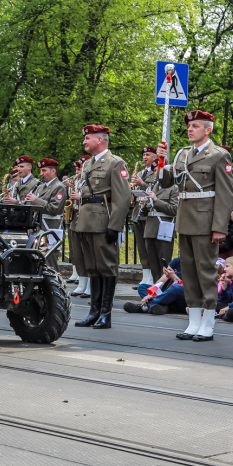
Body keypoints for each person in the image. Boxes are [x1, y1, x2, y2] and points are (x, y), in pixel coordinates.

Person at [157, 110, 233, 341]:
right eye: (190, 126)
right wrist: (161, 162)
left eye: (196, 126)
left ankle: (208, 322)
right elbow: (166, 181)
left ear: (208, 130)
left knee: (206, 272)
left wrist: (219, 226)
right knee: (188, 272)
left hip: (205, 221)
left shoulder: (219, 156)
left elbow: (225, 193)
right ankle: (193, 321)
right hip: (185, 220)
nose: (191, 129)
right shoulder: (181, 155)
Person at [69, 125, 130, 329]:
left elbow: (122, 198)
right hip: (85, 220)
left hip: (103, 221)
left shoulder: (115, 163)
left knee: (106, 266)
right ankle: (93, 312)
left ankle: (106, 313)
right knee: (92, 267)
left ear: (100, 140)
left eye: (87, 138)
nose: (84, 142)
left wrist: (115, 226)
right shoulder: (88, 164)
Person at [26, 158, 67, 267]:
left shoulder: (59, 187)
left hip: (50, 229)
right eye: (40, 171)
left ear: (53, 171)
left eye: (44, 171)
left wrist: (35, 200)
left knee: (50, 264)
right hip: (39, 230)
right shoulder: (41, 187)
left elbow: (55, 209)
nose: (41, 174)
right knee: (39, 262)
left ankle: (54, 284)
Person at [130, 146, 160, 284]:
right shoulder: (141, 172)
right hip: (138, 211)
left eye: (148, 155)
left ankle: (151, 278)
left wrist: (142, 184)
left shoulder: (156, 172)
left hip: (148, 212)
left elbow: (155, 188)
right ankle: (145, 277)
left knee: (149, 247)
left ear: (155, 157)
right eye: (143, 155)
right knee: (141, 247)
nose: (145, 157)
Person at [141, 173, 178, 279]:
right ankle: (155, 289)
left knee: (164, 264)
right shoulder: (151, 187)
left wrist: (156, 200)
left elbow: (174, 210)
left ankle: (164, 290)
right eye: (156, 170)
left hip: (164, 229)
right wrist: (143, 205)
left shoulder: (173, 188)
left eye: (159, 170)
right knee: (153, 264)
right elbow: (145, 213)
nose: (156, 173)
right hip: (150, 229)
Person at [67, 156, 92, 297]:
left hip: (86, 216)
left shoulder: (89, 180)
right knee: (78, 252)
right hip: (75, 216)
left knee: (87, 252)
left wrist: (80, 197)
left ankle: (89, 284)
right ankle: (82, 283)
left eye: (81, 167)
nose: (79, 170)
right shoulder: (78, 181)